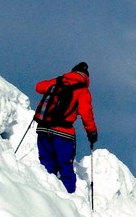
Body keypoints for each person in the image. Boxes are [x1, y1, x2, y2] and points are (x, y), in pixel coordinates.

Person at [34, 62, 98, 194]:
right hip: (63, 133)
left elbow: (39, 87)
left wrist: (57, 82)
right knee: (65, 168)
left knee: (46, 164)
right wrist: (92, 133)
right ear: (86, 78)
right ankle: (67, 199)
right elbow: (86, 112)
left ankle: (46, 194)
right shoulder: (83, 91)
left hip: (43, 129)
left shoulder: (57, 81)